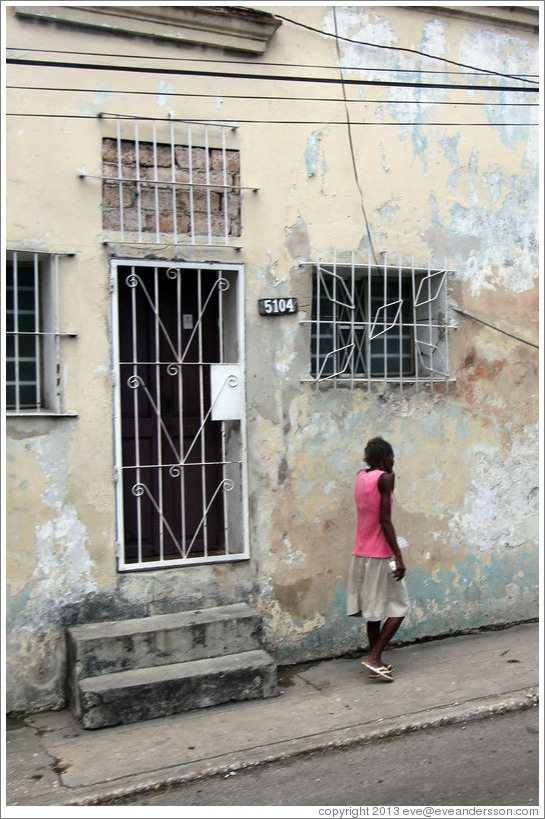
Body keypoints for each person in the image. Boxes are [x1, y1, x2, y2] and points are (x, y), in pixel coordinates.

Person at [346, 436, 410, 681]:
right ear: (385, 458)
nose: (394, 461)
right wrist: (399, 556)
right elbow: (385, 520)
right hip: (380, 555)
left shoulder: (362, 476)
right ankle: (374, 657)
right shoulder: (386, 478)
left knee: (373, 612)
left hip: (361, 552)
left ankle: (376, 660)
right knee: (400, 607)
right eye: (392, 457)